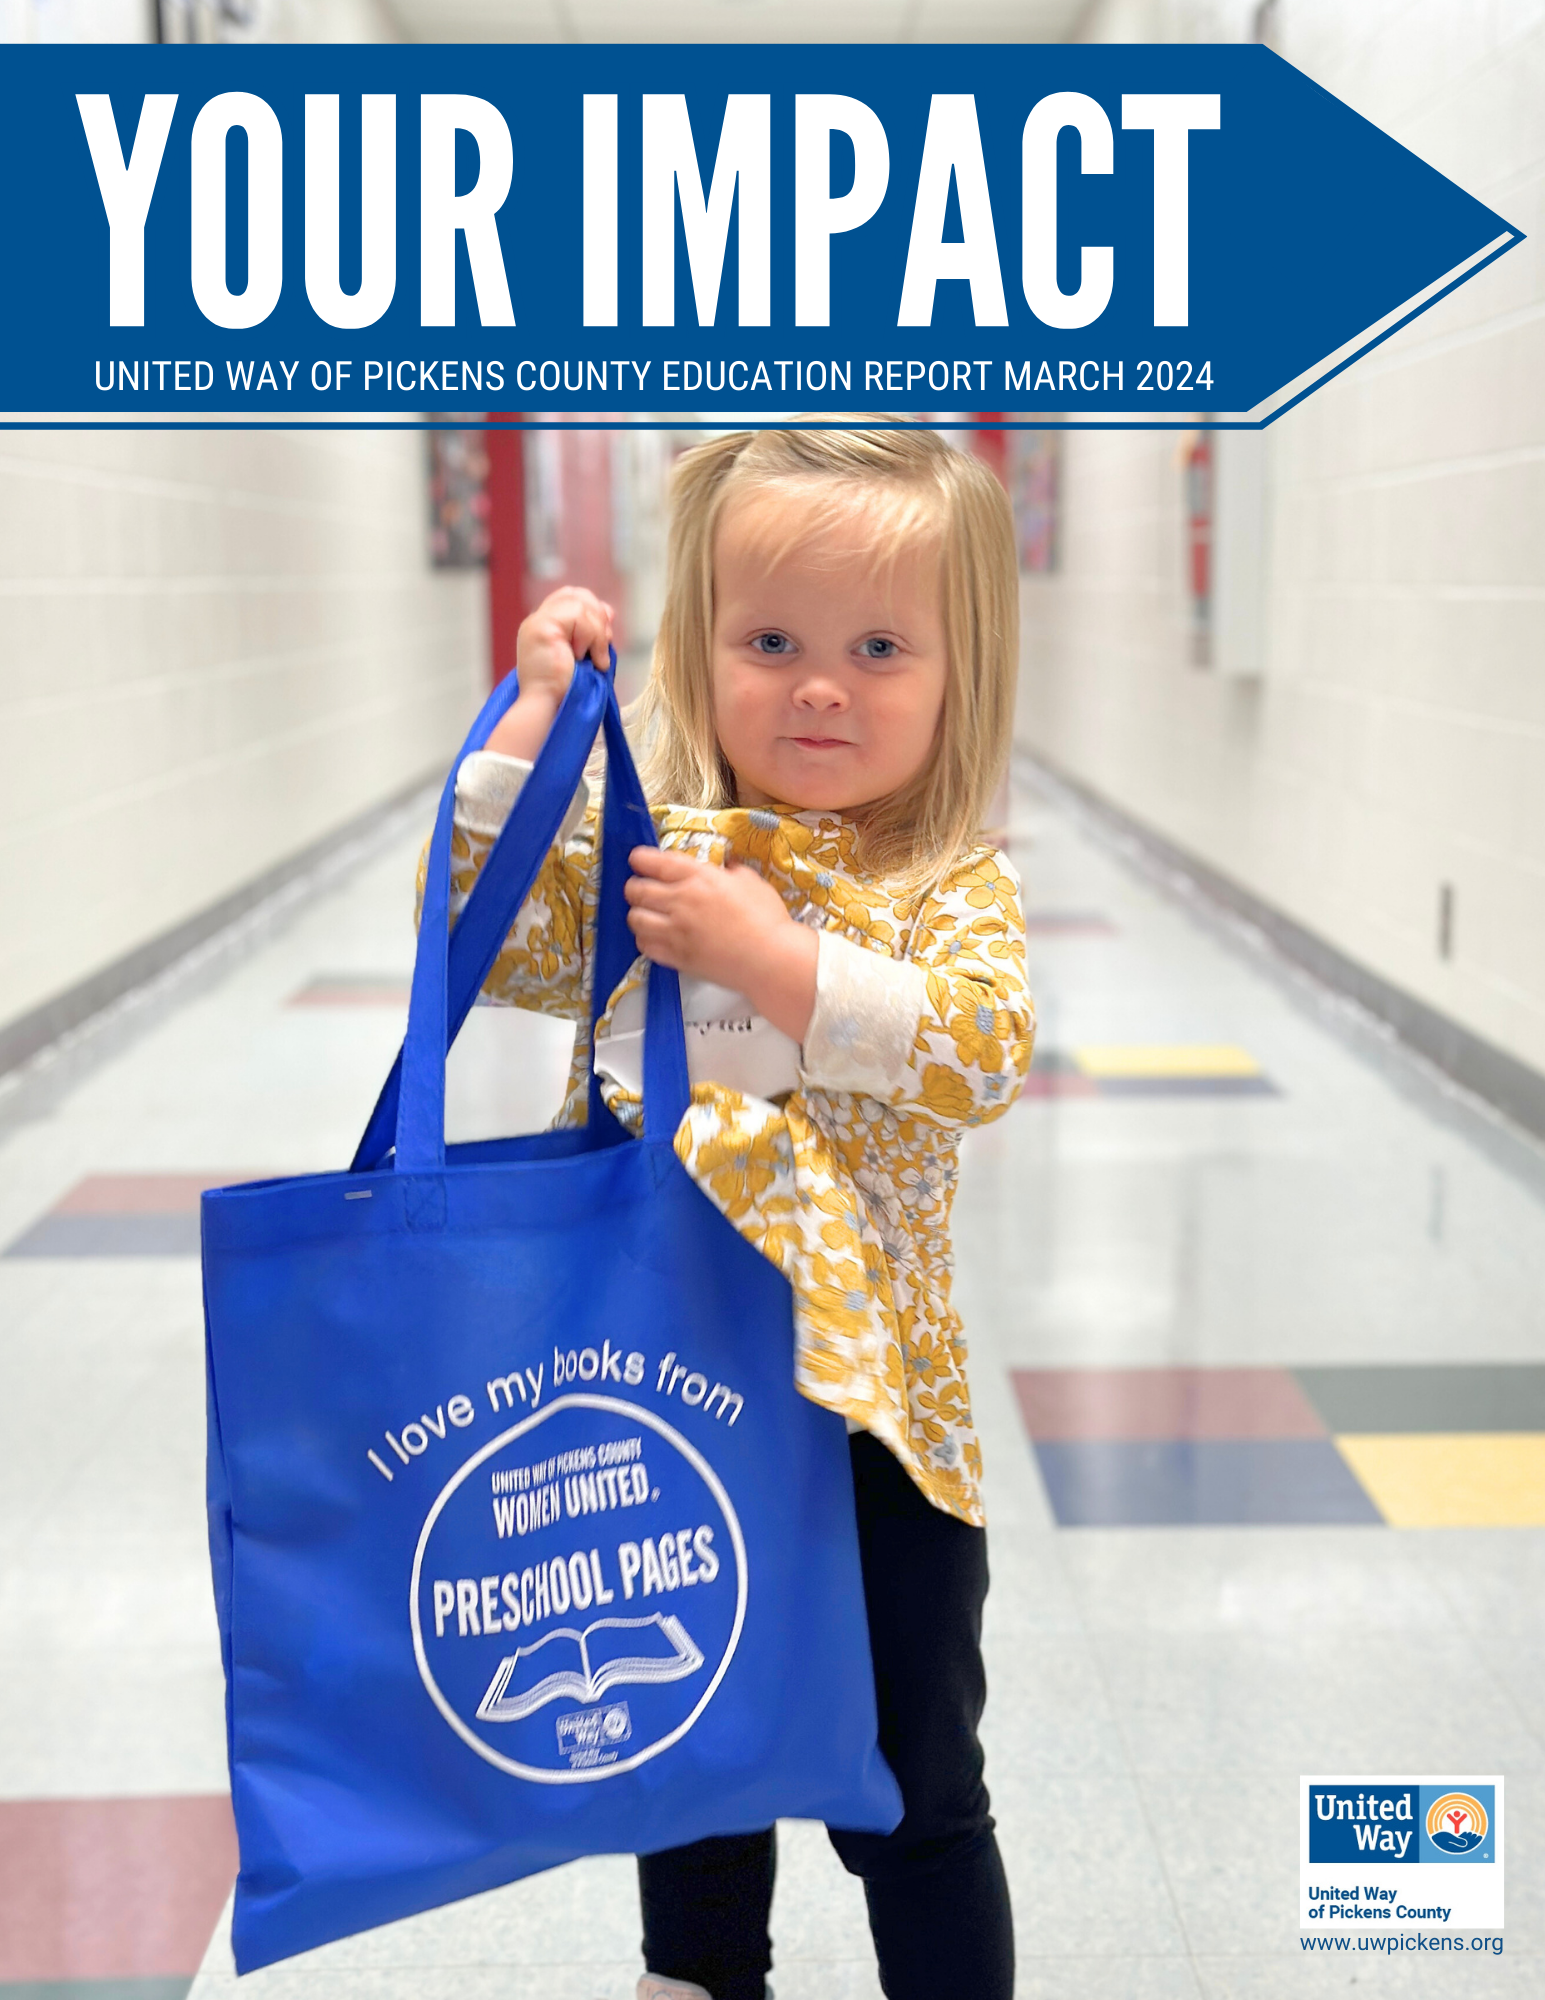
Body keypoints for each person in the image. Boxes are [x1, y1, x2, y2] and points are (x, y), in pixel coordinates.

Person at [434, 427, 1033, 2000]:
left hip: (885, 1431)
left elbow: (982, 1051)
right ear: (700, 643)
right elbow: (513, 950)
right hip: (668, 1395)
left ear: (959, 673)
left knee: (918, 1780)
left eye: (879, 648)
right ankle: (697, 1976)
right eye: (771, 642)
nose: (819, 687)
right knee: (684, 1754)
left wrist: (778, 962)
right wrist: (537, 723)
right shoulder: (658, 847)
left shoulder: (949, 882)